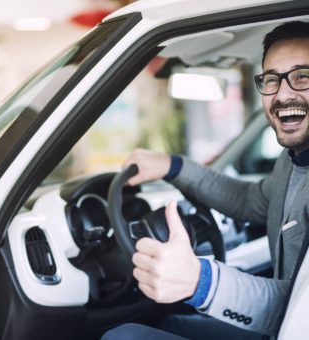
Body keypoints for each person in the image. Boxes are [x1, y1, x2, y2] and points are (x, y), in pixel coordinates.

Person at [102, 21, 309, 339]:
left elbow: (301, 315)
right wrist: (174, 167)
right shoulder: (293, 160)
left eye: (302, 77)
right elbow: (251, 201)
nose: (282, 95)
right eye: (271, 79)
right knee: (166, 324)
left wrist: (200, 280)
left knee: (122, 337)